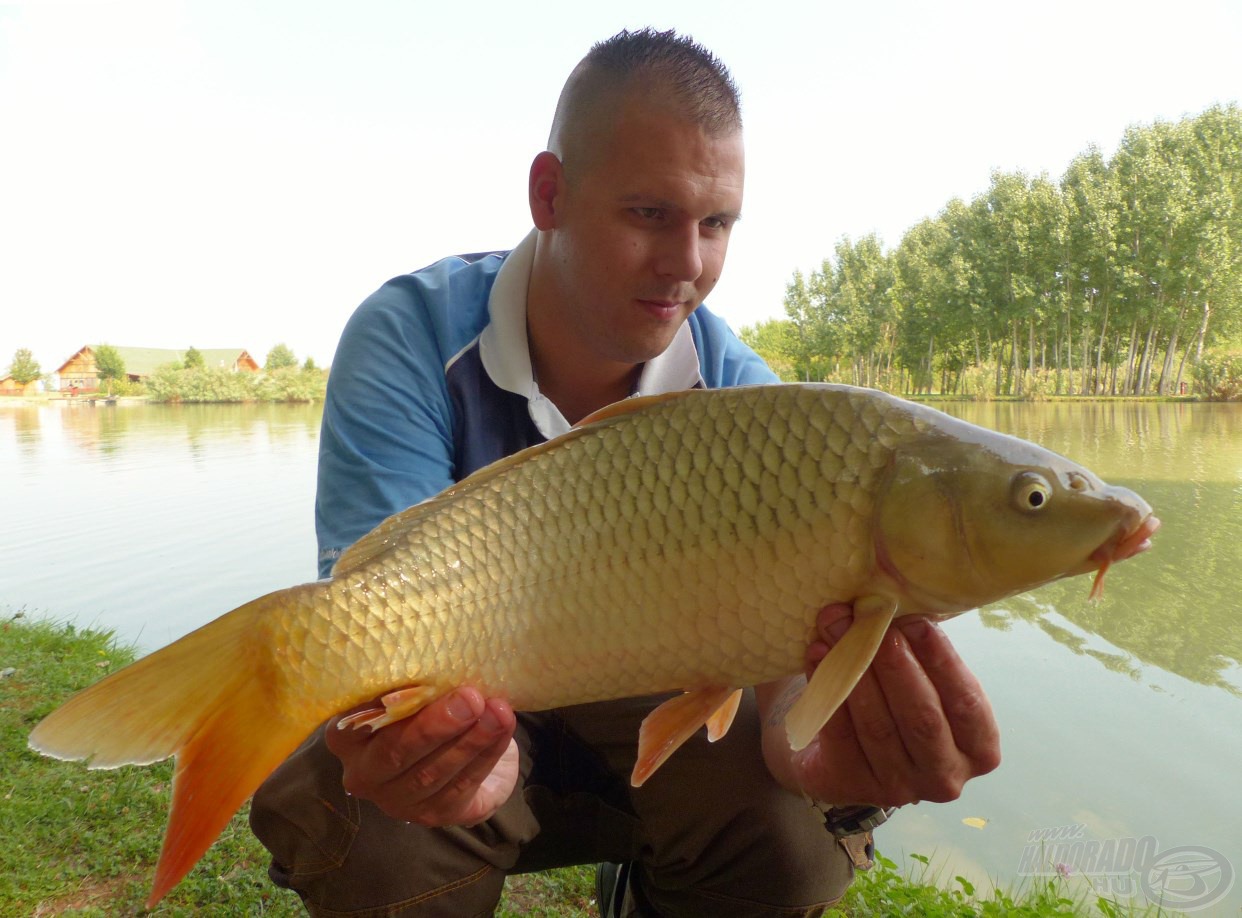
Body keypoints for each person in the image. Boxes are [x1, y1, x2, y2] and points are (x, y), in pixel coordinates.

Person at [249, 28, 1000, 917]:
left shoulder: (748, 403)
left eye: (716, 224)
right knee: (367, 824)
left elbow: (785, 672)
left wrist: (808, 754)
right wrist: (419, 742)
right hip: (473, 704)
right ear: (550, 193)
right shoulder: (410, 333)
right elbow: (368, 613)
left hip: (656, 728)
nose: (688, 263)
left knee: (792, 841)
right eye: (650, 213)